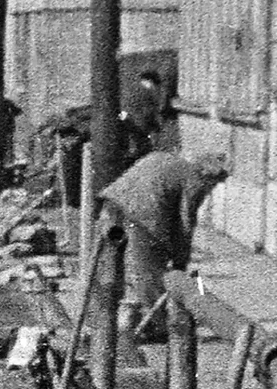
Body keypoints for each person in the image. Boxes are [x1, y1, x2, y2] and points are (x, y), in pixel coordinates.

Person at [99, 142, 231, 335]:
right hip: (142, 214)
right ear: (208, 175)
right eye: (216, 183)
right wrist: (180, 259)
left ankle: (112, 321)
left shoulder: (170, 161)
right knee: (150, 272)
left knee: (118, 269)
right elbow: (186, 221)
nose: (213, 189)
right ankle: (158, 326)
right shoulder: (195, 179)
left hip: (112, 204)